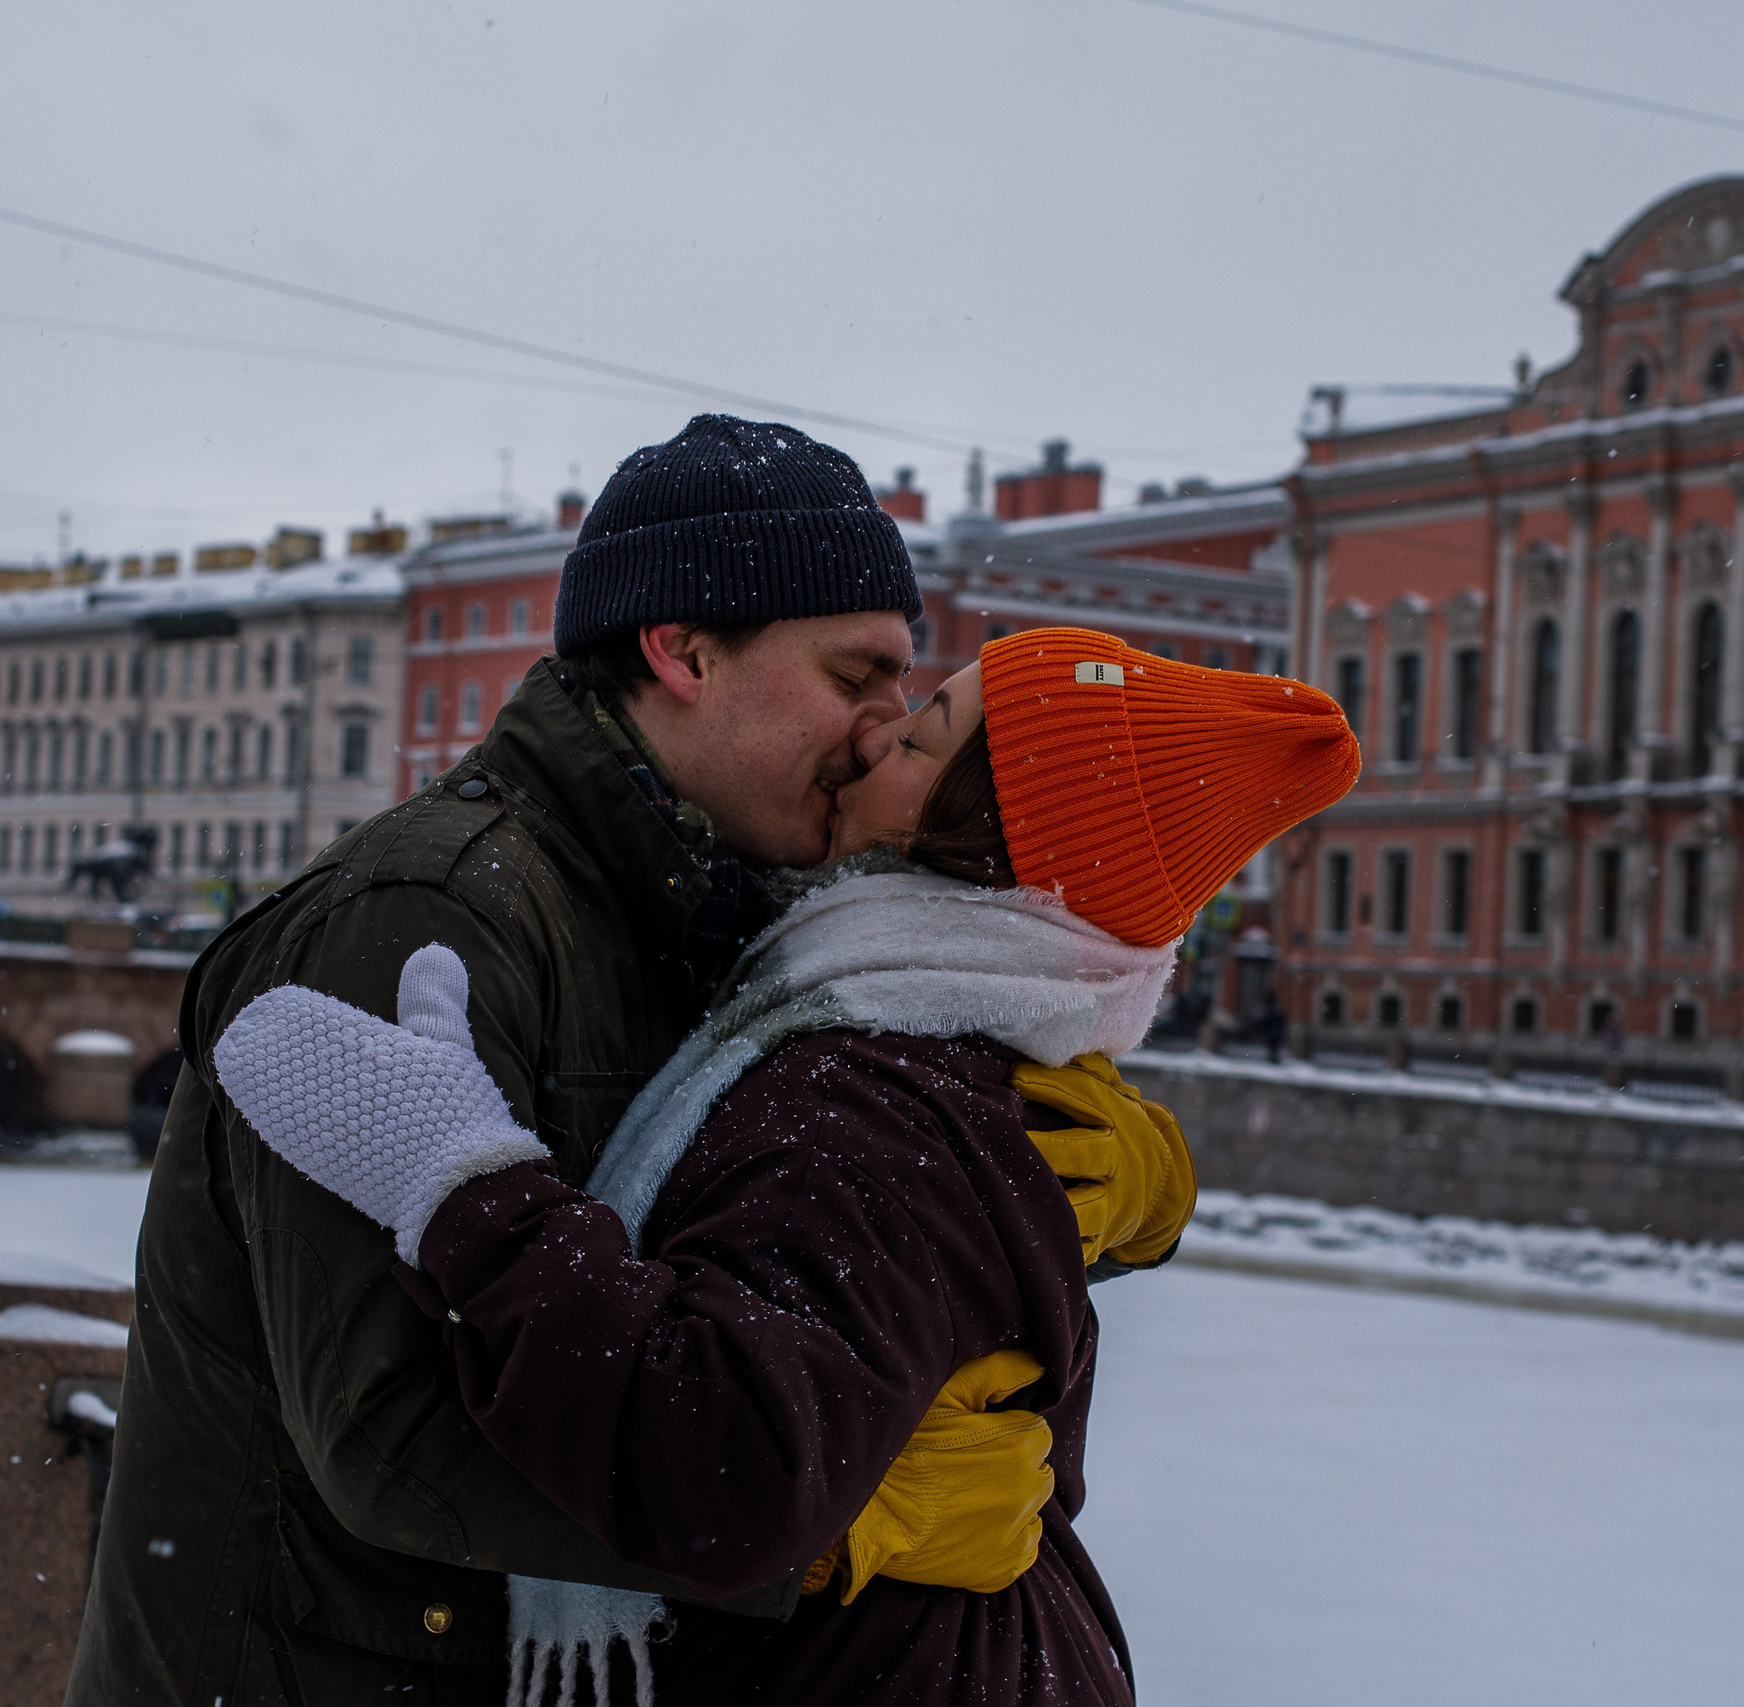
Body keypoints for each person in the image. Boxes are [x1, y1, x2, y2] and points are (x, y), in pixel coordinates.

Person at [70, 416, 1111, 1707]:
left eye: (908, 686)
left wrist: (1118, 1173)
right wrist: (830, 1520)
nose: (886, 730)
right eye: (860, 676)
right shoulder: (419, 922)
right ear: (682, 651)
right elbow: (385, 1429)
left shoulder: (715, 923)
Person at [218, 629, 1361, 1704]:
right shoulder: (917, 1029)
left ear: (989, 839)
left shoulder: (880, 1088)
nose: (877, 733)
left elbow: (726, 1472)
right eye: (866, 688)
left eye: (917, 733)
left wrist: (466, 1188)